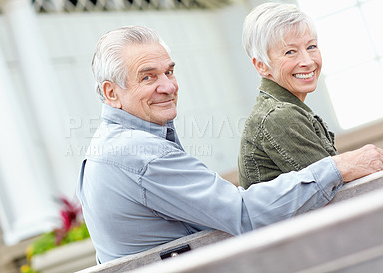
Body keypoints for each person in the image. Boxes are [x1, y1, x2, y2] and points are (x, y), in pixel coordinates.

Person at [76, 25, 383, 263]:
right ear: (112, 93)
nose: (168, 86)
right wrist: (337, 167)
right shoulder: (140, 155)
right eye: (148, 77)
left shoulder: (105, 149)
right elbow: (245, 214)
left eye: (169, 71)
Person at [238, 2, 337, 189]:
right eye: (290, 52)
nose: (307, 61)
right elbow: (337, 186)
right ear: (261, 65)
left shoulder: (285, 109)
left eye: (311, 47)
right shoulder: (279, 117)